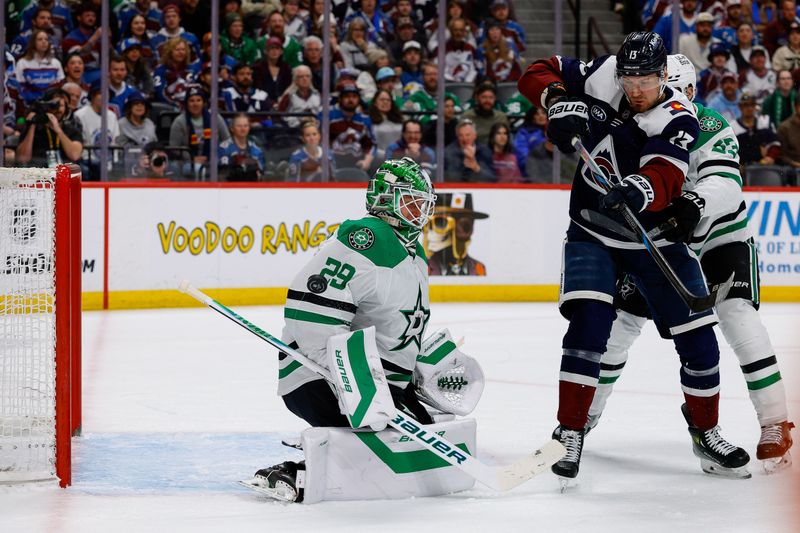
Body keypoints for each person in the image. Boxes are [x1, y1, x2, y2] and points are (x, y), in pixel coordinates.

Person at [518, 32, 749, 482]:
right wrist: (559, 100)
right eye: (629, 78)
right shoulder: (605, 74)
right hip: (592, 229)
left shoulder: (679, 117)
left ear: (664, 75)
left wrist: (638, 190)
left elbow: (664, 171)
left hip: (654, 236)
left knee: (700, 339)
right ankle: (569, 431)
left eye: (645, 78)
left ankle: (707, 430)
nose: (635, 88)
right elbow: (536, 71)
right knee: (589, 322)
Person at [587, 54, 794, 474]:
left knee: (739, 319)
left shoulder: (713, 126)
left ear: (693, 93)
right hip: (667, 246)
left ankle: (775, 422)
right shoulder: (639, 125)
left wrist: (691, 203)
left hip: (721, 240)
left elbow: (727, 186)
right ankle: (585, 413)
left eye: (679, 93)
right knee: (621, 324)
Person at [247, 157, 440, 502]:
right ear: (385, 199)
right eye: (411, 200)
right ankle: (298, 470)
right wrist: (352, 384)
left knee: (426, 443)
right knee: (384, 450)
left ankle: (324, 458)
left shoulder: (413, 251)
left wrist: (418, 367)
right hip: (321, 379)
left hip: (380, 382)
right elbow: (309, 313)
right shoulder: (365, 240)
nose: (420, 210)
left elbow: (400, 324)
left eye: (422, 203)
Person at [169, 85, 231, 177]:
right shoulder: (179, 122)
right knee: (176, 166)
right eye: (192, 101)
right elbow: (174, 148)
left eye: (198, 100)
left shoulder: (215, 118)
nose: (195, 104)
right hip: (188, 161)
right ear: (186, 103)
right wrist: (192, 158)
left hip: (214, 158)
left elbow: (227, 141)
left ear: (204, 103)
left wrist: (213, 155)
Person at [424, 192, 488, 276]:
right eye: (426, 224)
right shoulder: (423, 268)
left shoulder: (479, 268)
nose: (429, 233)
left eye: (440, 223)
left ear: (464, 228)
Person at [16, 87, 83, 167]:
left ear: (66, 109)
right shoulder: (33, 128)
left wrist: (57, 129)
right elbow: (22, 158)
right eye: (54, 105)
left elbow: (74, 155)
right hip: (38, 173)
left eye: (61, 105)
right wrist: (33, 124)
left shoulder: (72, 130)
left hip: (65, 173)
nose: (58, 110)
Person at [326, 84, 375, 172]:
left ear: (359, 100)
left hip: (358, 163)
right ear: (340, 99)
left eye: (354, 97)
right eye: (347, 96)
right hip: (334, 162)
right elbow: (322, 142)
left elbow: (371, 145)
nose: (351, 99)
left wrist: (366, 161)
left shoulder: (365, 120)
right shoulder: (330, 117)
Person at [16, 29, 65, 105]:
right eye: (40, 39)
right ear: (33, 42)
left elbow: (60, 85)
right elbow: (20, 87)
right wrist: (36, 100)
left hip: (51, 104)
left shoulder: (55, 63)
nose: (44, 42)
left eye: (46, 39)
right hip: (30, 104)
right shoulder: (22, 63)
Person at [733, 92, 782, 166]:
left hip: (765, 165)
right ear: (740, 107)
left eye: (752, 105)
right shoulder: (733, 126)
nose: (749, 108)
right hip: (743, 167)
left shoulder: (765, 121)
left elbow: (775, 143)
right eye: (746, 105)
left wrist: (770, 156)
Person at [153, 37, 200, 108]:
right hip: (170, 107)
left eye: (183, 50)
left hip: (190, 107)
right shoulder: (161, 70)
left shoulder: (191, 70)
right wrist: (176, 105)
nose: (181, 52)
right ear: (169, 52)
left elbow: (196, 90)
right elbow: (160, 94)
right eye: (177, 50)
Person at [219, 114, 266, 181]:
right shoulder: (224, 148)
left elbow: (261, 173)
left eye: (245, 126)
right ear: (232, 128)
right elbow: (222, 175)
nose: (243, 129)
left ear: (249, 128)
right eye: (239, 126)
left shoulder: (257, 150)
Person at [513, 105, 554, 180]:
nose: (541, 116)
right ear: (532, 117)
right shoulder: (524, 133)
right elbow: (522, 155)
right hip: (532, 172)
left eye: (543, 113)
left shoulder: (554, 132)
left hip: (553, 173)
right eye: (537, 114)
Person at [253, 36, 293, 104]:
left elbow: (289, 87)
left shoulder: (286, 68)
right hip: (262, 103)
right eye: (271, 48)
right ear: (265, 51)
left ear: (281, 51)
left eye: (277, 48)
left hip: (283, 104)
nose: (274, 51)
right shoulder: (258, 67)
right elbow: (257, 88)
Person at [368, 89, 404, 159]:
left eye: (388, 100)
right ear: (375, 103)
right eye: (382, 99)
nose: (385, 102)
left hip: (399, 158)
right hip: (377, 159)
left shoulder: (399, 120)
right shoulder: (369, 121)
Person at [776, 97, 800, 169]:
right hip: (793, 170)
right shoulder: (784, 127)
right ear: (796, 107)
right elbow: (781, 156)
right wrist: (795, 164)